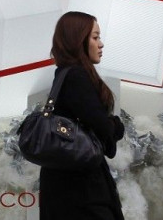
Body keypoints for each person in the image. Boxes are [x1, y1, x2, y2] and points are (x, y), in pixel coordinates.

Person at [39, 11, 125, 220]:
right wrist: (116, 124)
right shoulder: (76, 76)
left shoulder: (64, 73)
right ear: (78, 41)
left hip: (65, 182)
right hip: (79, 189)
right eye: (95, 37)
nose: (101, 44)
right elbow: (102, 127)